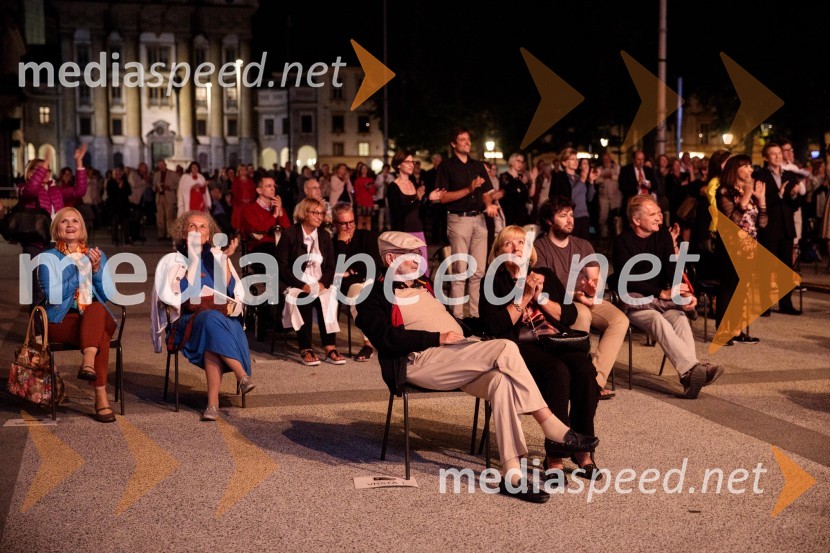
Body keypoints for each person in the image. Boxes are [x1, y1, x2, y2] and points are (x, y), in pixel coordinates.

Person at [355, 231, 600, 503]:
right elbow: (386, 339)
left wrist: (476, 324)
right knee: (507, 347)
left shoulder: (423, 284)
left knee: (502, 382)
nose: (419, 261)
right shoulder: (372, 296)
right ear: (390, 259)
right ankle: (550, 423)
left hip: (455, 355)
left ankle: (512, 474)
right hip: (418, 362)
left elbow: (453, 322)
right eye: (412, 256)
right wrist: (436, 338)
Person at [480, 225, 603, 481]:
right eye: (508, 244)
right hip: (519, 347)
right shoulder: (493, 281)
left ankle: (582, 450)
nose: (515, 248)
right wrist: (525, 297)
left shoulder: (545, 274)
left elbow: (569, 316)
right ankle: (554, 456)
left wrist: (543, 298)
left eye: (521, 243)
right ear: (498, 253)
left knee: (584, 370)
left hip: (556, 339)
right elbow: (495, 327)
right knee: (557, 372)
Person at [612, 195, 723, 399]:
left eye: (659, 212)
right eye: (653, 213)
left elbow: (671, 271)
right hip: (635, 300)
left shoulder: (662, 236)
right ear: (636, 220)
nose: (659, 217)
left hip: (662, 300)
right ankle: (692, 370)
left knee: (680, 318)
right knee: (656, 320)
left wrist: (685, 294)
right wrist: (659, 292)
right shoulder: (622, 242)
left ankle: (689, 374)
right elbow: (624, 280)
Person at [153, 211, 255, 421]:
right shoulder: (174, 260)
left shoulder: (217, 257)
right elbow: (175, 296)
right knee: (209, 321)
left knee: (211, 325)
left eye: (203, 227)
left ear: (209, 236)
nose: (198, 231)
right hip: (186, 323)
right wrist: (193, 260)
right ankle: (241, 375)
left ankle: (212, 405)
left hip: (219, 322)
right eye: (192, 226)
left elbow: (234, 293)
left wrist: (226, 260)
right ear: (184, 233)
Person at [535, 197, 628, 399]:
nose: (570, 220)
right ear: (549, 221)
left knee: (620, 320)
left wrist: (592, 289)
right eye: (563, 216)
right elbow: (546, 288)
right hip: (560, 302)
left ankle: (594, 381)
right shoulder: (540, 248)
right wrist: (577, 294)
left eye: (571, 215)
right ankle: (578, 377)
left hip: (584, 298)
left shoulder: (583, 245)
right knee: (583, 315)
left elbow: (594, 279)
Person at [37, 207, 117, 423]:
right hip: (62, 319)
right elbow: (53, 296)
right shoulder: (47, 258)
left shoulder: (96, 255)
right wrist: (82, 271)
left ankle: (88, 361)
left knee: (97, 309)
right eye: (64, 221)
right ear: (56, 228)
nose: (70, 225)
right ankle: (101, 397)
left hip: (94, 314)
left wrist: (98, 269)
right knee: (100, 333)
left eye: (75, 221)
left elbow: (107, 295)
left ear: (82, 229)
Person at [436, 127, 498, 323]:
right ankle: (457, 317)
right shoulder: (446, 166)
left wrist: (489, 204)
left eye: (468, 139)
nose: (467, 142)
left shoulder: (478, 165)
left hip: (479, 219)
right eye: (462, 140)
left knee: (479, 270)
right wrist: (468, 189)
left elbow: (487, 192)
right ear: (453, 144)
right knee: (461, 270)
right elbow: (443, 197)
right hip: (458, 219)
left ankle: (476, 315)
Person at [276, 197, 346, 366]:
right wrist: (302, 285)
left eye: (321, 213)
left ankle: (329, 347)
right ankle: (305, 348)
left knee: (330, 296)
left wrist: (323, 283)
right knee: (303, 298)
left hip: (318, 281)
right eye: (315, 212)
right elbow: (282, 266)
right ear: (304, 213)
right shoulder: (290, 234)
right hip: (294, 282)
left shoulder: (324, 236)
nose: (319, 216)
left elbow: (330, 265)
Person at [715, 155, 767, 345]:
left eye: (750, 166)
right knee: (729, 287)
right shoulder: (724, 191)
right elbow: (732, 220)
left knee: (743, 289)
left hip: (750, 246)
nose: (750, 169)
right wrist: (745, 197)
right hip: (731, 247)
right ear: (734, 169)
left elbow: (762, 223)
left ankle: (737, 330)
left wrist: (761, 201)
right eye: (745, 166)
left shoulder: (752, 191)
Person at [332, 202, 382, 361]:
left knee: (359, 291)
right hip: (349, 287)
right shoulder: (334, 243)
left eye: (351, 222)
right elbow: (337, 270)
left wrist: (351, 271)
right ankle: (368, 344)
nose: (349, 226)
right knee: (356, 293)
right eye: (344, 223)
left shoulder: (367, 236)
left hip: (371, 280)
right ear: (335, 224)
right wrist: (341, 244)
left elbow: (372, 264)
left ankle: (374, 341)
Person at [757, 143, 802, 316]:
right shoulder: (761, 175)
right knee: (766, 268)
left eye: (779, 153)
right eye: (773, 154)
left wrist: (793, 195)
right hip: (769, 227)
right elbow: (762, 201)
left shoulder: (789, 175)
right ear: (766, 157)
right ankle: (764, 304)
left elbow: (795, 206)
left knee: (786, 267)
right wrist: (780, 194)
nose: (777, 156)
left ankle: (786, 303)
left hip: (786, 227)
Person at [388, 150, 443, 269]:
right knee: (406, 272)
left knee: (422, 271)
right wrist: (416, 199)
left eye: (412, 162)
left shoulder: (414, 184)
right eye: (407, 162)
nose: (411, 164)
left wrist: (429, 199)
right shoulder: (393, 187)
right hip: (402, 234)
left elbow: (421, 212)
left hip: (418, 233)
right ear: (398, 164)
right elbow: (397, 214)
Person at [239, 173, 291, 272]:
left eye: (274, 186)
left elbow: (288, 231)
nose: (273, 189)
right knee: (277, 258)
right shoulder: (249, 209)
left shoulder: (278, 208)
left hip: (278, 247)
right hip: (258, 249)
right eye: (268, 186)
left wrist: (280, 213)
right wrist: (274, 216)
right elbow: (258, 232)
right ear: (259, 190)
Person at [549, 148, 598, 239]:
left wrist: (591, 182)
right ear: (564, 163)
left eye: (576, 159)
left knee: (583, 247)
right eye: (572, 159)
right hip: (571, 217)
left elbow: (589, 198)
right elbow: (570, 198)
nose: (576, 161)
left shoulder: (579, 177)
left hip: (584, 216)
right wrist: (582, 180)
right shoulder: (560, 177)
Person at [153, 160, 179, 240]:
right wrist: (156, 188)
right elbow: (153, 186)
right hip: (159, 197)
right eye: (159, 165)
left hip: (169, 197)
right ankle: (161, 234)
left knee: (170, 216)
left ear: (165, 165)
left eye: (162, 165)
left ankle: (170, 234)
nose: (161, 167)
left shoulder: (173, 174)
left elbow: (178, 185)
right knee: (160, 217)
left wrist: (169, 187)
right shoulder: (156, 175)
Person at [231, 165, 256, 231]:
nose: (243, 171)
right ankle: (238, 235)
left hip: (250, 203)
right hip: (239, 204)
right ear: (238, 171)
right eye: (241, 170)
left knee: (249, 220)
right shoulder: (236, 181)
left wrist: (250, 200)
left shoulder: (250, 180)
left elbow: (253, 191)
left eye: (244, 169)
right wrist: (242, 200)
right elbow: (234, 192)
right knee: (239, 221)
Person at [353, 163, 376, 230]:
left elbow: (373, 192)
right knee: (360, 220)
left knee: (368, 220)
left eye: (365, 168)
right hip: (360, 202)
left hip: (369, 202)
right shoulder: (357, 180)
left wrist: (368, 187)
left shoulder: (370, 180)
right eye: (363, 168)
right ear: (360, 170)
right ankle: (360, 237)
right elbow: (356, 192)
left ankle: (368, 237)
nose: (364, 170)